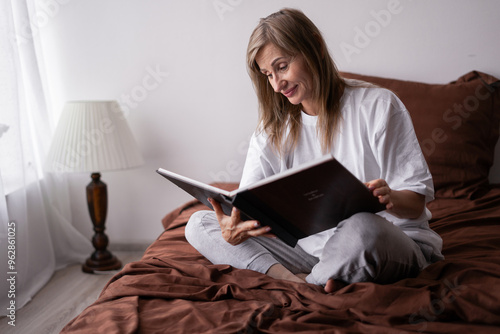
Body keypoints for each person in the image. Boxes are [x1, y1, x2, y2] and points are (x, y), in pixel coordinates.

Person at [185, 8, 444, 293]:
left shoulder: (379, 105)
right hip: (306, 250)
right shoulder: (272, 129)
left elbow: (415, 204)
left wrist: (390, 197)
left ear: (315, 46)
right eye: (267, 75)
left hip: (386, 240)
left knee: (362, 227)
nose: (276, 84)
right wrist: (233, 227)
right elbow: (249, 207)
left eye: (282, 67)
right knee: (198, 223)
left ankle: (312, 283)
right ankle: (297, 281)